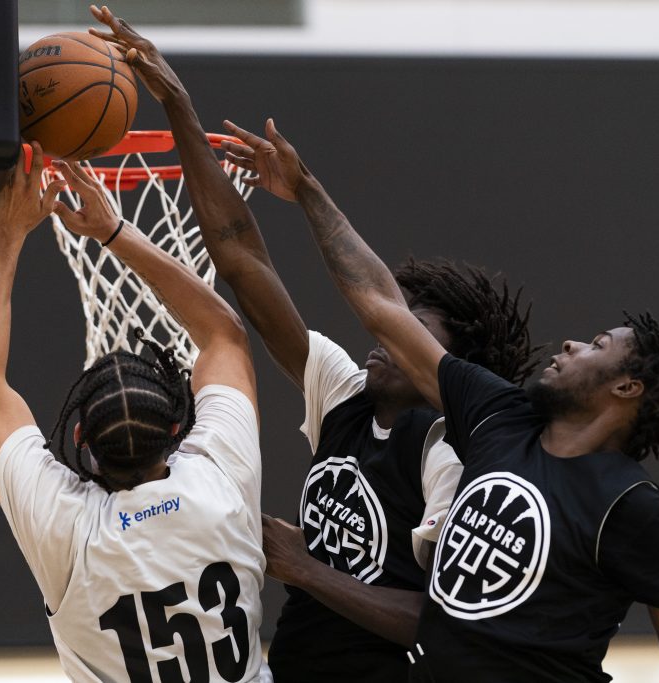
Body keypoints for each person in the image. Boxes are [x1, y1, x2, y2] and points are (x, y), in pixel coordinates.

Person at [83, 8, 538, 682]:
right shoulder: (344, 392)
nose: (386, 330)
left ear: (454, 357)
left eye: (416, 322)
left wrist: (304, 567)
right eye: (397, 313)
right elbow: (242, 262)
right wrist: (178, 104)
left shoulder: (450, 451)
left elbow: (438, 617)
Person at [220, 120, 659, 682]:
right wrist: (307, 189)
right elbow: (380, 307)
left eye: (598, 345)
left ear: (627, 388)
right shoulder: (498, 419)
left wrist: (309, 570)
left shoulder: (634, 508)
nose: (573, 344)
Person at [0, 143, 265, 679]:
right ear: (177, 427)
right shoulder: (220, 485)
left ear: (82, 441)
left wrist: (6, 236)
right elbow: (225, 337)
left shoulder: (68, 530)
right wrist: (114, 232)